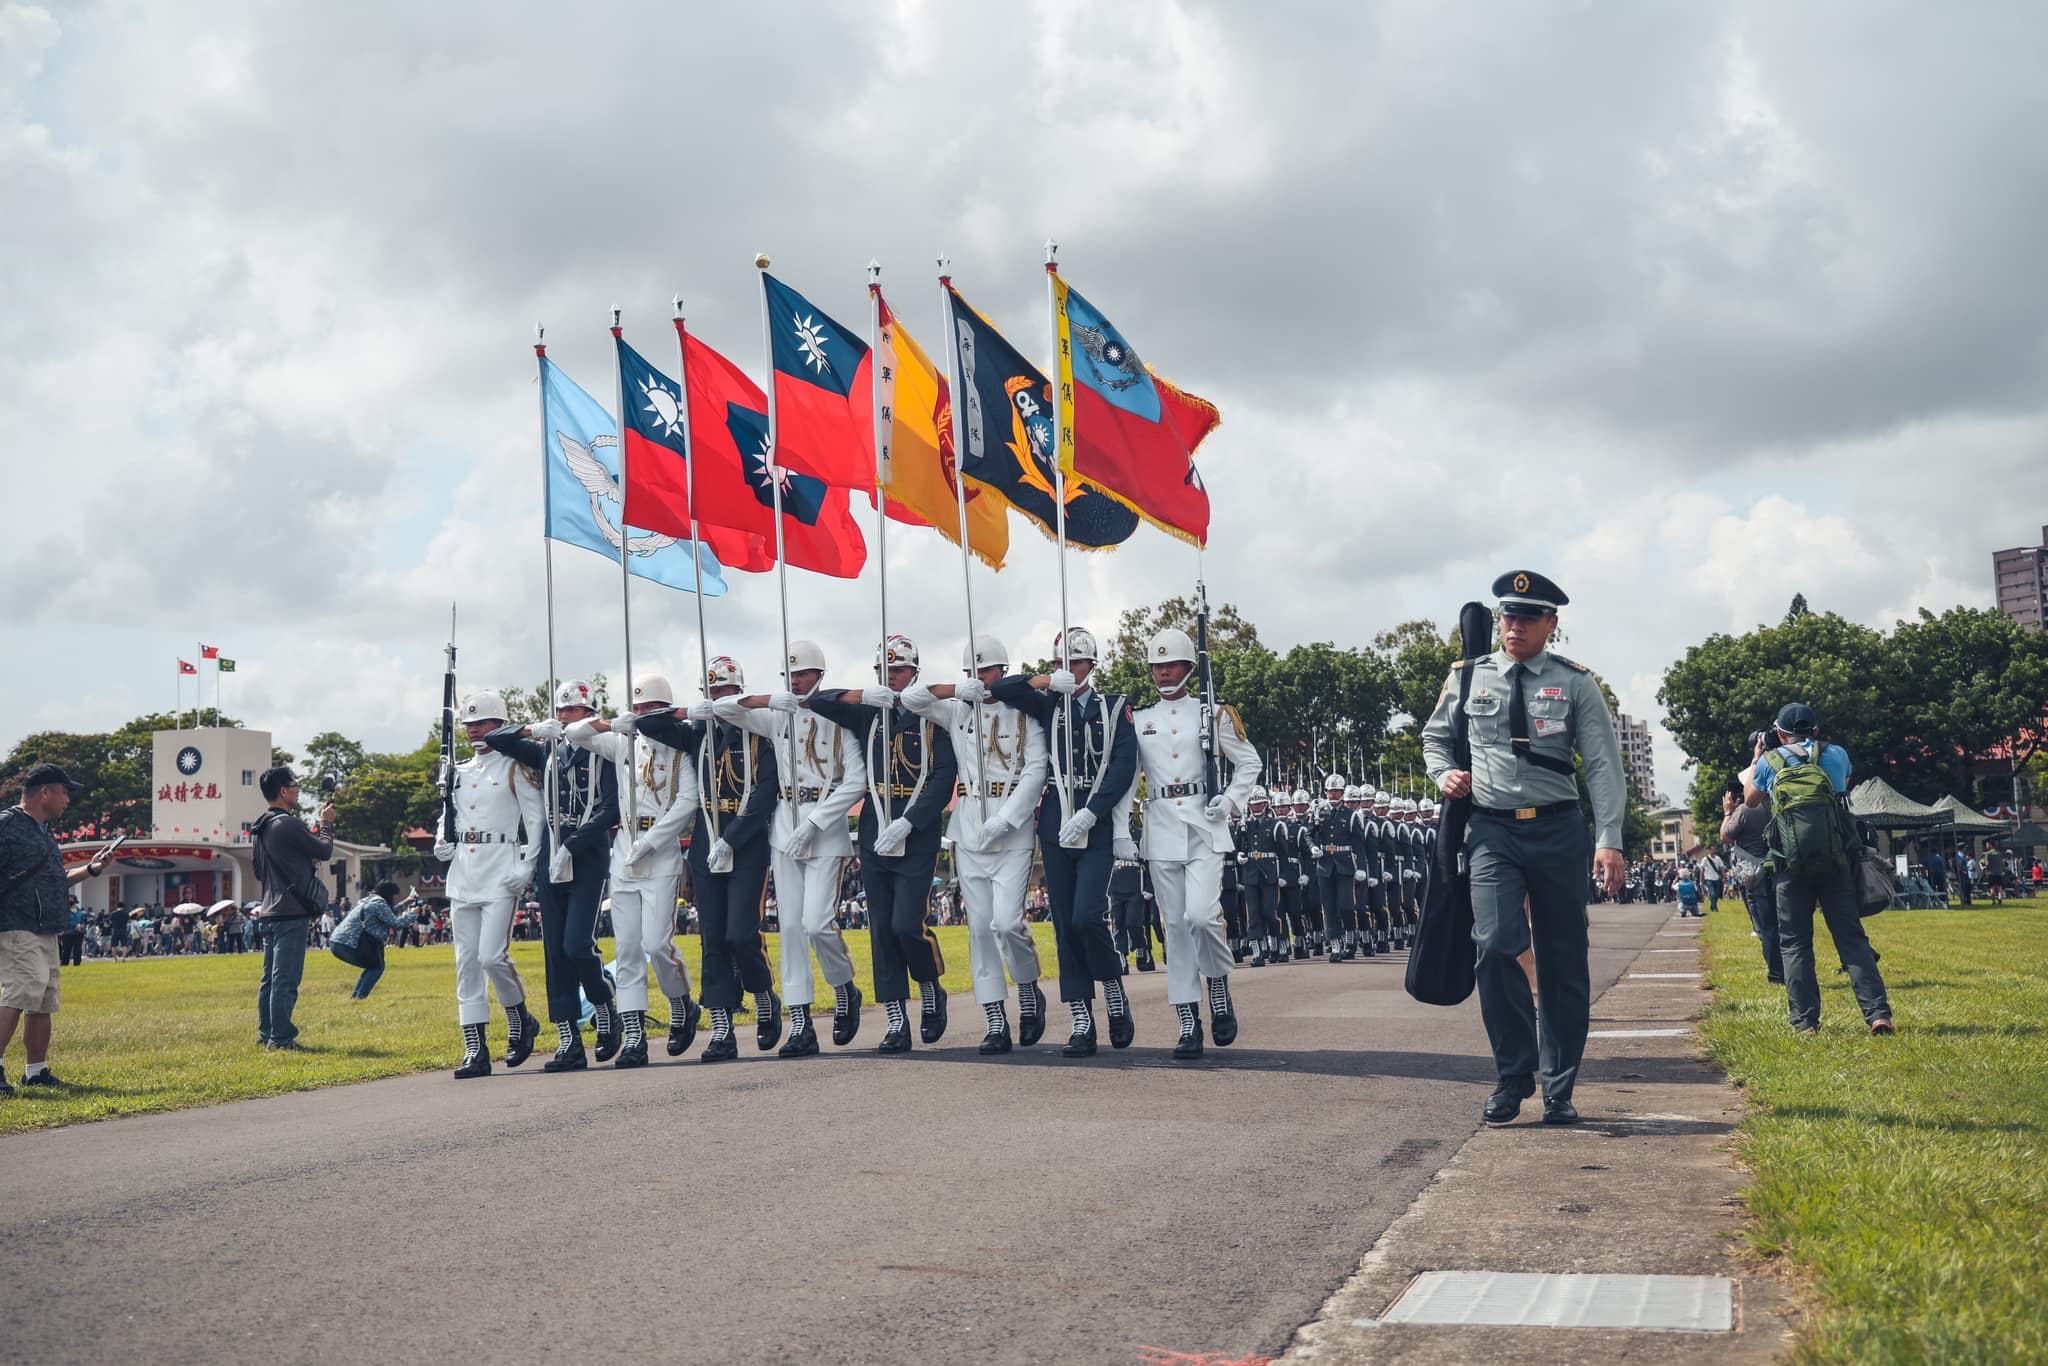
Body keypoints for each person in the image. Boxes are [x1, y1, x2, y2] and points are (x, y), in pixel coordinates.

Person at [1422, 571, 1628, 1127]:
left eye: (1529, 617)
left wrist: (1609, 838)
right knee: (1493, 945)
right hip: (1491, 831)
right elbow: (1435, 736)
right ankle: (1514, 1074)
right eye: (1508, 615)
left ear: (1551, 625)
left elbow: (1605, 767)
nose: (1515, 625)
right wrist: (1443, 773)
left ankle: (1559, 1087)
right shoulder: (1466, 677)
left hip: (1559, 830)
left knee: (1563, 960)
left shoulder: (1576, 683)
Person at [806, 636, 960, 1053]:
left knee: (907, 924)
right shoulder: (869, 715)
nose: (891, 677)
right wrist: (861, 695)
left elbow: (943, 777)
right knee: (881, 931)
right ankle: (895, 1018)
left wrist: (909, 822)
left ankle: (930, 987)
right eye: (884, 671)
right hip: (875, 833)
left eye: (898, 670)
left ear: (915, 673)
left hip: (916, 834)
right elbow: (817, 700)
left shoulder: (933, 720)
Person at [992, 627, 1140, 1057]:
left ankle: (1112, 987)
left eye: (1074, 663)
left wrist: (1094, 813)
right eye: (1061, 663)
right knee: (1062, 922)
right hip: (1057, 820)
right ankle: (1080, 1017)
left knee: (1086, 916)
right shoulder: (1048, 704)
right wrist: (1043, 681)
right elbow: (1001, 687)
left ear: (1092, 665)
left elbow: (1123, 765)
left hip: (1093, 820)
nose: (1068, 670)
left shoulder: (1115, 709)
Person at [719, 640, 872, 1054]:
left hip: (825, 832)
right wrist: (773, 699)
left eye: (802, 674)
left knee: (817, 923)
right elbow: (725, 707)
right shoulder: (777, 717)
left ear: (819, 676)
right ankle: (800, 1022)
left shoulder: (839, 720)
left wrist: (818, 820)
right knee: (789, 928)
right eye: (790, 675)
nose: (796, 680)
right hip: (785, 828)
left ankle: (844, 988)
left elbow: (856, 781)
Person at [903, 634, 1052, 1053]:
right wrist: (954, 689)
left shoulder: (1024, 715)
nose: (981, 679)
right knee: (980, 929)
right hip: (969, 828)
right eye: (974, 672)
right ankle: (994, 1019)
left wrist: (1006, 820)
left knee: (1006, 923)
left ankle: (1027, 989)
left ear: (1002, 671)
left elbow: (1036, 770)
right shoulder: (958, 711)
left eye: (987, 671)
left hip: (1012, 831)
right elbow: (912, 699)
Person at [638, 654, 783, 1061]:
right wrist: (689, 711)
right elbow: (647, 723)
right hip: (705, 848)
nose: (720, 697)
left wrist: (733, 839)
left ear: (741, 692)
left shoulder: (760, 738)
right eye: (713, 691)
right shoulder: (698, 734)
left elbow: (764, 794)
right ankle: (721, 1028)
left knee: (741, 933)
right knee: (713, 939)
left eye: (726, 690)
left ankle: (763, 994)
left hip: (747, 846)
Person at [1122, 627, 1259, 1058]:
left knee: (1201, 916)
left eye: (1171, 664)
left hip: (1204, 826)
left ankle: (1217, 985)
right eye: (1156, 666)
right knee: (1175, 927)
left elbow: (1249, 762)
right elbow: (1128, 780)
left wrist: (1230, 800)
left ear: (1187, 667)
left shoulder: (1212, 714)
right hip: (1161, 828)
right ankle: (1187, 1019)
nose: (1163, 673)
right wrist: (1120, 830)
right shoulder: (1140, 720)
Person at [482, 680, 621, 1072]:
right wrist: (530, 730)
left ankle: (604, 1003)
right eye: (560, 712)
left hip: (586, 857)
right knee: (555, 953)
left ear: (589, 713)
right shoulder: (546, 750)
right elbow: (495, 738)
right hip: (550, 863)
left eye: (572, 711)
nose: (564, 718)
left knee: (578, 944)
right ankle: (568, 1040)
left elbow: (610, 809)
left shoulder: (603, 752)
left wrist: (571, 846)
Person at [566, 672, 704, 1068]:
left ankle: (681, 1003)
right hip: (625, 852)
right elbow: (574, 732)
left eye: (650, 709)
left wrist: (655, 839)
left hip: (658, 855)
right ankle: (636, 1035)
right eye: (638, 708)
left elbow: (687, 801)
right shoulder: (624, 743)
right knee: (626, 949)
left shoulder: (680, 752)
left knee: (657, 945)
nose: (643, 715)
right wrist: (612, 723)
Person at [1741, 702, 1893, 1036]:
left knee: (1795, 944)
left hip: (1788, 864)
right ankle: (1878, 1015)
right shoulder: (1836, 754)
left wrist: (1757, 758)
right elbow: (1844, 786)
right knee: (1851, 939)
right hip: (1836, 858)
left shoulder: (1771, 760)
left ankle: (1805, 1023)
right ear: (1817, 730)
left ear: (1780, 733)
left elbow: (1750, 799)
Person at [433, 689, 544, 1078]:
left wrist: (528, 867)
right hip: (463, 871)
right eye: (470, 725)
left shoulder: (515, 767)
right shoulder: (459, 772)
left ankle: (520, 1020)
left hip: (501, 869)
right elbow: (448, 815)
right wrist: (440, 840)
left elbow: (536, 820)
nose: (475, 730)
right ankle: (475, 1050)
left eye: (483, 723)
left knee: (492, 956)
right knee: (466, 963)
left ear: (500, 726)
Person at [0, 764, 117, 1095]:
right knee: (24, 989)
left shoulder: (43, 831)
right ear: (45, 793)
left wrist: (91, 870)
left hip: (47, 926)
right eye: (65, 791)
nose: (68, 799)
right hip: (16, 923)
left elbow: (54, 879)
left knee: (43, 998)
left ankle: (35, 1071)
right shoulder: (8, 826)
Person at [248, 766, 336, 1052]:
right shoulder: (288, 823)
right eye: (295, 786)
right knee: (285, 979)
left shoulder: (260, 826)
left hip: (269, 909)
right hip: (291, 910)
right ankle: (282, 1038)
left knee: (269, 979)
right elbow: (323, 850)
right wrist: (326, 823)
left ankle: (267, 1032)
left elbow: (259, 871)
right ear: (283, 791)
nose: (298, 790)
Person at [1721, 781, 1781, 982]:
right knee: (1784, 924)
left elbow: (1725, 836)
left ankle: (1776, 973)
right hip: (1780, 870)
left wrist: (1728, 812)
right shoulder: (1777, 805)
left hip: (1756, 874)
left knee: (1766, 927)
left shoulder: (1746, 810)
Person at [329, 881, 405, 999]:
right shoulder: (379, 904)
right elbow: (396, 923)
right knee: (376, 966)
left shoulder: (371, 900)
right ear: (389, 894)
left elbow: (387, 913)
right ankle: (359, 997)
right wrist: (412, 914)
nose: (396, 898)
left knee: (373, 965)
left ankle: (356, 997)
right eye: (395, 895)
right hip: (347, 943)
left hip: (337, 941)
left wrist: (406, 903)